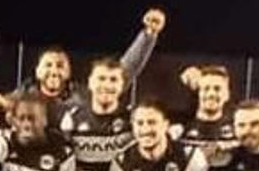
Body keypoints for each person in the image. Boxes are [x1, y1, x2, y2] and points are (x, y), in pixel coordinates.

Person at [10, 8, 166, 126]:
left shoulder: (83, 96)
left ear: (69, 71)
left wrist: (148, 35)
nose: (54, 71)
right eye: (48, 65)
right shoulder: (22, 96)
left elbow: (124, 72)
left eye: (60, 65)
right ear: (37, 71)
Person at [58, 57, 135, 171]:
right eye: (101, 78)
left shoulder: (132, 121)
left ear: (122, 85)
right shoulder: (71, 118)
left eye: (113, 80)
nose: (107, 85)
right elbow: (60, 163)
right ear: (90, 83)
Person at [173, 64, 238, 171]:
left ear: (227, 94)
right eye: (206, 88)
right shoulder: (181, 126)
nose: (211, 93)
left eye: (217, 89)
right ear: (198, 92)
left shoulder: (237, 128)